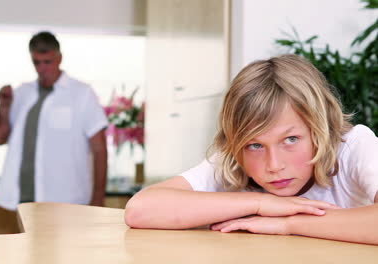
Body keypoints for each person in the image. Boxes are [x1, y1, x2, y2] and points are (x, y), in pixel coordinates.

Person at [125, 54, 378, 245]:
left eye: (290, 139)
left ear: (319, 127)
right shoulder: (233, 162)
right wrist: (259, 202)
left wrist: (288, 223)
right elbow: (141, 210)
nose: (274, 165)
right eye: (255, 145)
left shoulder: (353, 146)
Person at [0, 31, 108, 211]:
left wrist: (99, 197)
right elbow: (1, 138)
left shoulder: (82, 93)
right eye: (36, 62)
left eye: (48, 62)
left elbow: (99, 148)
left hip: (68, 201)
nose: (42, 68)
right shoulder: (22, 93)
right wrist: (4, 106)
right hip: (24, 200)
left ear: (59, 58)